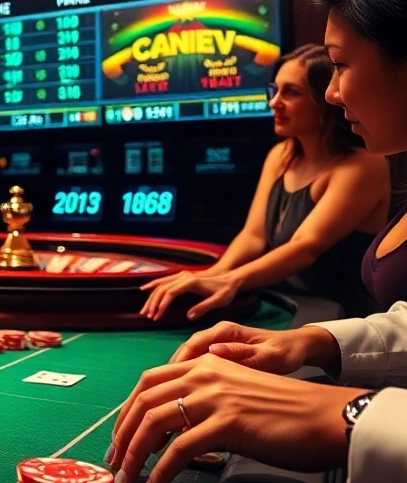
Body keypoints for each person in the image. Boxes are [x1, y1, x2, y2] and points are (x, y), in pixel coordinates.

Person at [107, 0, 407, 483]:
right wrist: (304, 344)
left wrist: (348, 416)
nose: (332, 92)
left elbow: (304, 248)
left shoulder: (366, 167)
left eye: (343, 66)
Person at [140, 46, 390, 321]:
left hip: (343, 316)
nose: (274, 103)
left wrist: (231, 280)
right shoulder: (280, 155)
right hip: (284, 303)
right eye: (275, 90)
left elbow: (306, 247)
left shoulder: (364, 165)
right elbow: (254, 236)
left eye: (291, 93)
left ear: (325, 100)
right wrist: (213, 274)